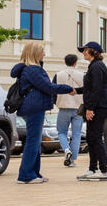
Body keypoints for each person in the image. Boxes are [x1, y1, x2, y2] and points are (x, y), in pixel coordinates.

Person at [11, 41, 75, 183]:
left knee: (35, 140)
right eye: (42, 51)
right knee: (33, 141)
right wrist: (67, 88)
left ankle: (34, 173)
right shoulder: (33, 70)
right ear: (35, 53)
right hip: (34, 107)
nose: (44, 54)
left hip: (30, 107)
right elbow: (47, 86)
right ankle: (26, 175)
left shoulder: (26, 69)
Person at [77, 41, 107, 181]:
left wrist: (90, 108)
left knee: (95, 138)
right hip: (97, 106)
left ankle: (103, 170)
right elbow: (90, 88)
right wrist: (76, 91)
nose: (84, 52)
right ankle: (92, 169)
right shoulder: (95, 66)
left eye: (86, 50)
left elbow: (96, 89)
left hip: (98, 107)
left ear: (94, 52)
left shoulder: (96, 67)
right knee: (91, 138)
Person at [53, 53, 84, 168]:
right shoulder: (82, 75)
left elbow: (53, 90)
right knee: (76, 134)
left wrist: (55, 102)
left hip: (63, 107)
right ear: (76, 62)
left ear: (65, 62)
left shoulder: (58, 74)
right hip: (78, 108)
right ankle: (72, 161)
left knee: (61, 132)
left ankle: (66, 149)